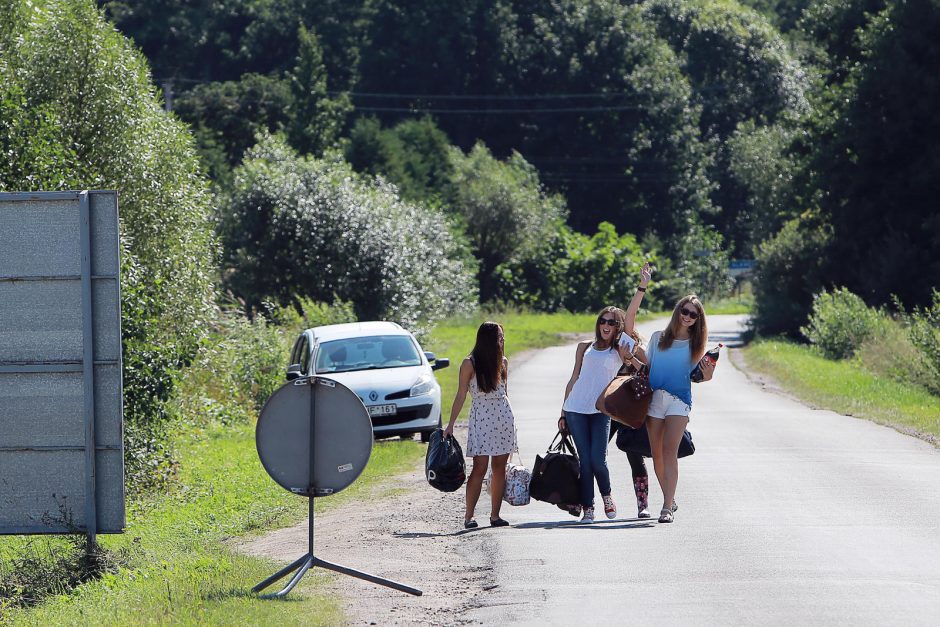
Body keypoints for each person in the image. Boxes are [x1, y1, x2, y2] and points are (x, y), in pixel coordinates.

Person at [558, 303, 644, 523]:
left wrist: (641, 286)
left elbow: (641, 367)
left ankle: (606, 495)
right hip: (575, 408)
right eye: (603, 321)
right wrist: (563, 412)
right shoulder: (584, 347)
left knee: (598, 459)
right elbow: (574, 378)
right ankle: (588, 508)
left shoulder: (619, 348)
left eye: (612, 322)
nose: (606, 325)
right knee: (585, 461)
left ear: (618, 327)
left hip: (600, 410)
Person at [643, 292, 715, 523]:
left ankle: (666, 508)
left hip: (679, 401)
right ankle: (669, 497)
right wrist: (628, 356)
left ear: (698, 319)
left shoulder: (695, 345)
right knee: (656, 455)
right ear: (677, 312)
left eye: (693, 315)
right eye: (684, 311)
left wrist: (708, 371)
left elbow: (702, 378)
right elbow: (647, 366)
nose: (688, 317)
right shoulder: (658, 338)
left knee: (668, 452)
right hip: (654, 399)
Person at [444, 321, 517, 529]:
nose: (502, 340)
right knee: (479, 467)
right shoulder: (470, 363)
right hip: (481, 418)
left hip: (503, 417)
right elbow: (460, 395)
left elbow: (505, 393)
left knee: (500, 468)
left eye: (503, 337)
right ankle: (469, 516)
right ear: (487, 340)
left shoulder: (502, 361)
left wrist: (513, 426)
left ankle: (495, 516)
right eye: (499, 337)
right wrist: (450, 424)